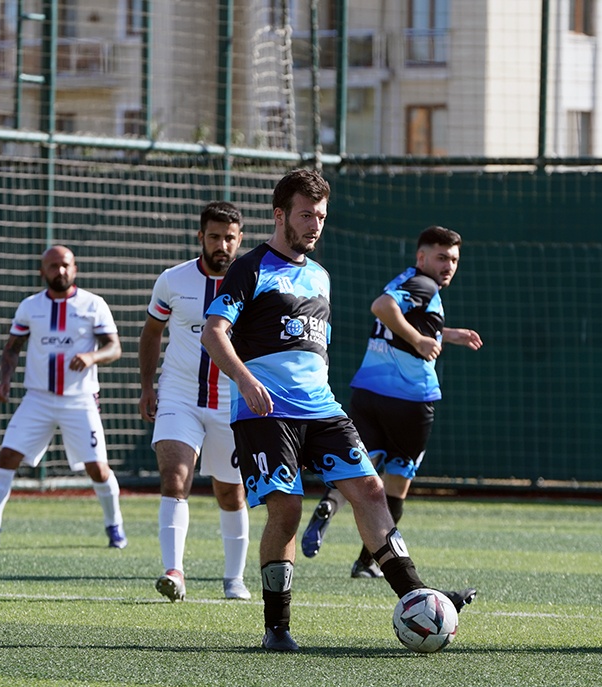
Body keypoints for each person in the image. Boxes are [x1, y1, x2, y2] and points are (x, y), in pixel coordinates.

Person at [200, 168, 476, 652]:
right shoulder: (250, 267)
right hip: (267, 412)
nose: (315, 225)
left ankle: (418, 598)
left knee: (371, 490)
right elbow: (213, 333)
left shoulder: (320, 276)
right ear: (280, 215)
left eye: (321, 217)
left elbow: (315, 350)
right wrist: (244, 380)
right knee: (286, 509)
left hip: (322, 408)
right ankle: (277, 627)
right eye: (306, 215)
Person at [299, 226, 483, 578]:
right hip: (410, 400)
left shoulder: (407, 280)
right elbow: (382, 308)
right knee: (396, 484)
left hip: (369, 392)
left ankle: (330, 504)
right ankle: (367, 562)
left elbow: (399, 318)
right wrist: (419, 340)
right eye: (441, 257)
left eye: (454, 260)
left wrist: (444, 334)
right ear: (421, 257)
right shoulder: (425, 285)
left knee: (360, 466)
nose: (448, 266)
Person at [0, 245, 127, 550]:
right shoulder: (30, 306)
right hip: (38, 399)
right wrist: (5, 380)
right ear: (42, 271)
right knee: (6, 457)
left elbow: (114, 348)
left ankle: (114, 526)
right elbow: (12, 348)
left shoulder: (93, 304)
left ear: (75, 268)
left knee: (97, 467)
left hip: (80, 399)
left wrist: (92, 357)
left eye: (66, 265)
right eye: (53, 266)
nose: (60, 271)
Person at [139, 201, 252, 601]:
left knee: (230, 492)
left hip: (230, 402)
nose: (222, 245)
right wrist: (147, 386)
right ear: (200, 237)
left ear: (240, 239)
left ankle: (234, 579)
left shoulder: (254, 283)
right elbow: (152, 332)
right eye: (214, 237)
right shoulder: (173, 280)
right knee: (174, 477)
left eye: (229, 238)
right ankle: (174, 572)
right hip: (179, 395)